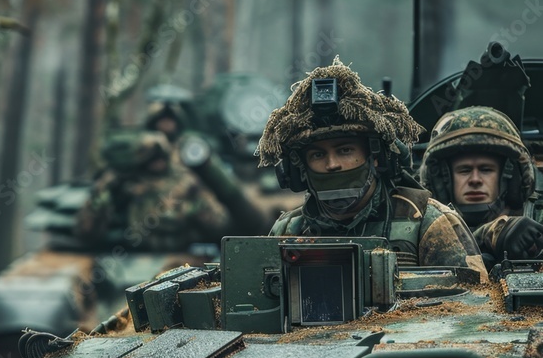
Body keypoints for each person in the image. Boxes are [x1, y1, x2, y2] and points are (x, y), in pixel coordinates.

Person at [256, 59, 483, 271]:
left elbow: (474, 307)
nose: (332, 164)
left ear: (376, 157)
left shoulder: (428, 223)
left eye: (345, 150)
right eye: (317, 154)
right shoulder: (288, 231)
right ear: (300, 168)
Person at [419, 106, 543, 263]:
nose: (475, 179)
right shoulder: (417, 226)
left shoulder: (538, 216)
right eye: (464, 170)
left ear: (509, 176)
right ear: (444, 180)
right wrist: (490, 235)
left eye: (486, 170)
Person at [75, 129, 231, 252]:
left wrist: (189, 209)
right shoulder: (124, 183)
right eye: (150, 158)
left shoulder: (186, 182)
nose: (156, 163)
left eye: (160, 157)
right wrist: (103, 195)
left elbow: (220, 225)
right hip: (129, 257)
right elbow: (87, 232)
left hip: (181, 258)